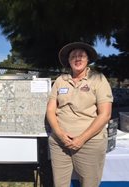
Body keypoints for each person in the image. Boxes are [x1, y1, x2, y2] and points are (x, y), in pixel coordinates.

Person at [46, 42, 113, 187]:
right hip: (59, 143)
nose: (77, 59)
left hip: (90, 142)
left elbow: (105, 114)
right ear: (68, 61)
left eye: (81, 55)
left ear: (87, 59)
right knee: (59, 184)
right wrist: (60, 134)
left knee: (89, 183)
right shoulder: (60, 81)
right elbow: (50, 110)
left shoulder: (98, 79)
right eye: (73, 56)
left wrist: (81, 139)